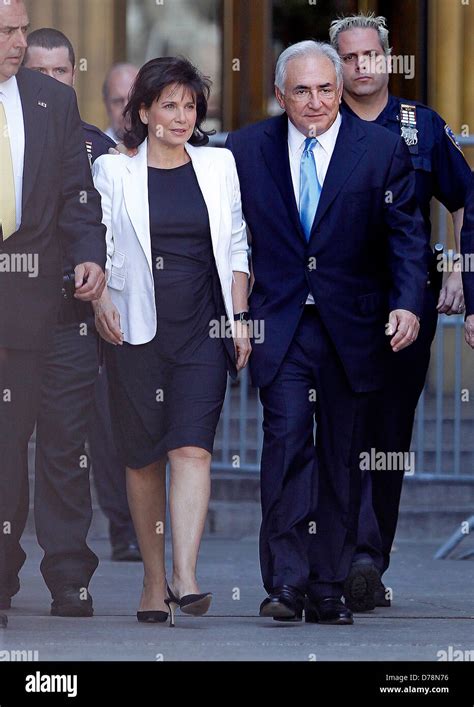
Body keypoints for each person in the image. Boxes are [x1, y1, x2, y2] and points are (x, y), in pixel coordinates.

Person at [226, 40, 428, 625]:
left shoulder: (383, 150)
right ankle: (286, 584)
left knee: (342, 458)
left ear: (339, 90)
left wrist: (409, 304)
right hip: (282, 325)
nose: (315, 102)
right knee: (286, 445)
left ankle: (328, 586)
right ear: (279, 93)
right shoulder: (244, 148)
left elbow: (407, 238)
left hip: (353, 329)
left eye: (325, 90)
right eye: (301, 91)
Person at [92, 56, 251, 625]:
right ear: (143, 111)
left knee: (192, 448)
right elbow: (101, 248)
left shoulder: (218, 165)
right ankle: (153, 581)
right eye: (169, 105)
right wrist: (100, 300)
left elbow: (235, 244)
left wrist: (238, 318)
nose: (182, 116)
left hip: (202, 331)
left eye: (190, 106)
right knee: (142, 460)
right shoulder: (114, 172)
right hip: (135, 331)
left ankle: (185, 576)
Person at [329, 12, 473, 611]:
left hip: (403, 302)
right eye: (350, 57)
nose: (362, 67)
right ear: (336, 63)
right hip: (332, 304)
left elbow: (466, 199)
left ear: (388, 58)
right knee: (334, 433)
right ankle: (329, 558)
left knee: (387, 434)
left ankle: (367, 559)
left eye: (371, 55)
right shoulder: (318, 120)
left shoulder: (422, 126)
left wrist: (462, 269)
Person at [0, 1, 106, 617]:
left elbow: (77, 192)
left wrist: (89, 256)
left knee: (67, 449)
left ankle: (70, 574)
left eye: (21, 29)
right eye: (7, 32)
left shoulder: (52, 99)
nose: (19, 42)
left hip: (58, 306)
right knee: (4, 449)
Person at [24, 28, 141, 569]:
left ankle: (72, 568)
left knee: (71, 446)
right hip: (15, 316)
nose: (50, 82)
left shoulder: (96, 145)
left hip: (80, 318)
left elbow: (107, 227)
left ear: (76, 75)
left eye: (60, 71)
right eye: (38, 70)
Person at [102, 63, 139, 143]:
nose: (127, 108)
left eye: (133, 99)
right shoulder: (97, 151)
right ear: (106, 105)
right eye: (118, 101)